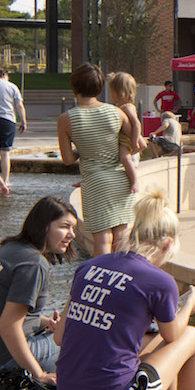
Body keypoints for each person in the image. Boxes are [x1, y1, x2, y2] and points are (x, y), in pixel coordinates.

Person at [55, 190, 195, 390]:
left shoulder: (88, 267)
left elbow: (60, 337)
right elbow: (173, 336)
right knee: (192, 337)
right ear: (168, 244)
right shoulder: (161, 281)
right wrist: (188, 306)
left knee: (156, 344)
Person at [0, 196, 78, 387]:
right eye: (65, 226)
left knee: (64, 331)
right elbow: (8, 327)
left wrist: (44, 322)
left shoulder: (9, 248)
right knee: (79, 338)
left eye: (73, 228)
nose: (72, 234)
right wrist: (39, 375)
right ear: (44, 226)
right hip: (1, 364)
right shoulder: (33, 263)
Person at [57, 63, 139, 256]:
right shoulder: (116, 113)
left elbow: (68, 159)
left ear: (74, 86)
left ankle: (101, 278)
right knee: (120, 235)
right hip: (120, 179)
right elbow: (136, 144)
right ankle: (121, 276)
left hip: (94, 182)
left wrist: (85, 150)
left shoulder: (66, 119)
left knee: (102, 238)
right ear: (101, 87)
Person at [108, 72, 149, 171]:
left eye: (111, 91)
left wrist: (134, 143)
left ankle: (133, 180)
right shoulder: (122, 107)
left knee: (124, 157)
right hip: (125, 141)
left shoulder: (127, 107)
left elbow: (136, 124)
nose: (110, 94)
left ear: (119, 92)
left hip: (127, 143)